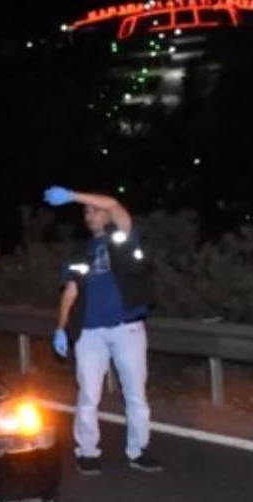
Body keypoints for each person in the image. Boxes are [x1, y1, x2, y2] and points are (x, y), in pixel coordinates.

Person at [45, 186, 162, 475]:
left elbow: (113, 203)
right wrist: (61, 328)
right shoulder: (78, 252)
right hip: (89, 332)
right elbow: (70, 292)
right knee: (88, 395)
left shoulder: (123, 237)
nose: (90, 214)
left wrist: (73, 197)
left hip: (127, 328)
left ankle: (138, 450)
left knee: (135, 394)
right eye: (86, 211)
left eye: (94, 209)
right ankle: (87, 452)